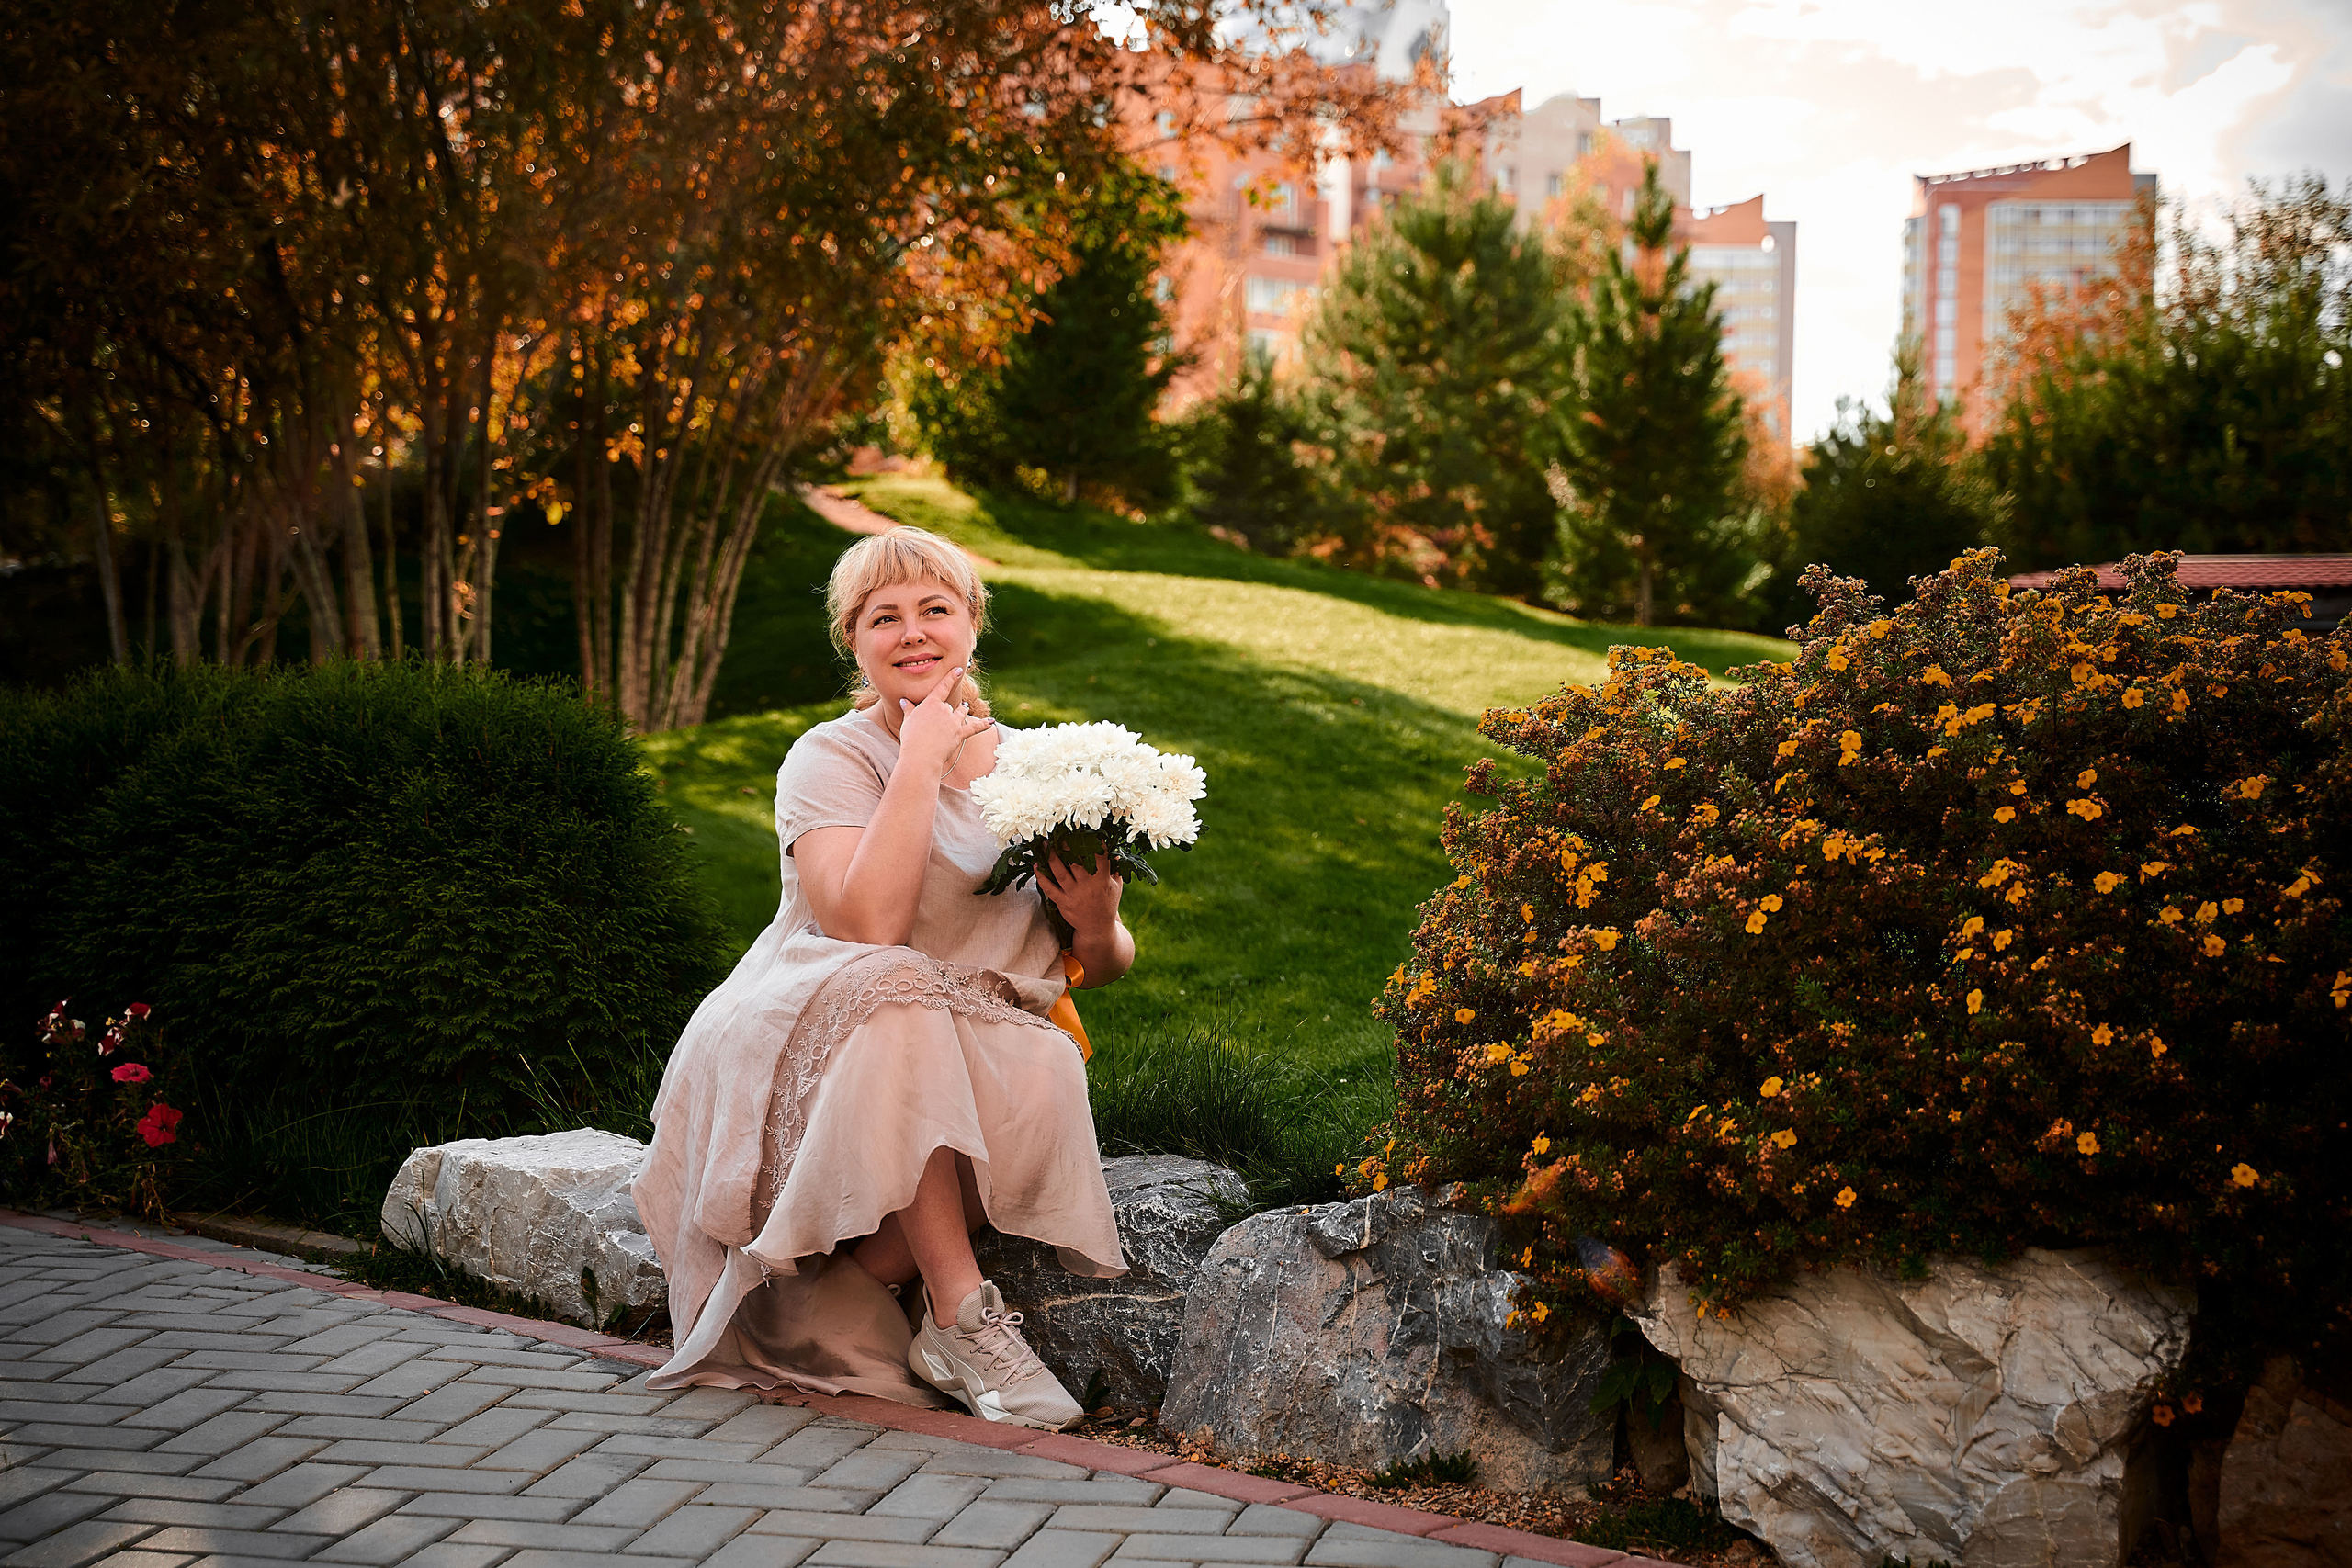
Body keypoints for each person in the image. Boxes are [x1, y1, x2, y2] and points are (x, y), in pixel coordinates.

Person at [634, 525, 1130, 1430]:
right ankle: (964, 1317)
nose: (911, 633)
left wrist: (1095, 916)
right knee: (901, 998)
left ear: (971, 622)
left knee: (1039, 1060)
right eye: (882, 617)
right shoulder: (830, 757)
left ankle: (831, 1310)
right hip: (818, 1022)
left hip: (972, 1029)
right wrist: (918, 758)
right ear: (853, 642)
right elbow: (866, 927)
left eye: (933, 609)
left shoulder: (1037, 770)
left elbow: (1097, 962)